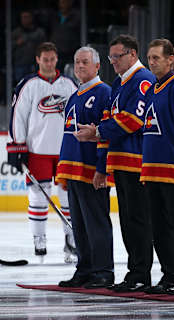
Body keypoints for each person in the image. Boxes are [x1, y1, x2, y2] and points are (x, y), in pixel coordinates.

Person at [75, 34, 156, 293]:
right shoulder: (121, 83)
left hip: (136, 163)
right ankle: (135, 272)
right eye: (111, 58)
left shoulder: (142, 80)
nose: (113, 62)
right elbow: (114, 119)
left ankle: (142, 273)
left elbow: (133, 120)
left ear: (132, 54)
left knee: (139, 220)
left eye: (117, 57)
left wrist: (98, 131)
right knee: (128, 221)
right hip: (121, 162)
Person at [137, 38, 174, 296]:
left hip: (173, 170)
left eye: (157, 58)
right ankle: (169, 274)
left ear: (171, 60)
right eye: (149, 58)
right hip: (151, 169)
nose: (152, 62)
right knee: (158, 226)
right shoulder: (151, 88)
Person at [7, 41, 77, 263]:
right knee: (38, 196)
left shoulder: (69, 85)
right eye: (45, 59)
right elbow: (18, 116)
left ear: (57, 59)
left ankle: (71, 240)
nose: (49, 62)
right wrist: (17, 147)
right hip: (38, 150)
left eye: (52, 59)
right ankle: (40, 239)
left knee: (68, 196)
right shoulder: (28, 85)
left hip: (66, 150)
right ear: (38, 60)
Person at [56, 46, 114, 288]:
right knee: (79, 224)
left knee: (96, 222)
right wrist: (62, 171)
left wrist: (102, 168)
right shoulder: (74, 96)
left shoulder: (104, 93)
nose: (80, 66)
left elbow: (106, 135)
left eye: (85, 62)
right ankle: (85, 268)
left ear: (97, 66)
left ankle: (103, 271)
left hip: (92, 171)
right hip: (73, 170)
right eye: (77, 62)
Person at [12, 10, 47, 83]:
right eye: (23, 17)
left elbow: (45, 48)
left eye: (27, 17)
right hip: (20, 64)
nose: (25, 19)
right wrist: (16, 43)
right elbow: (8, 48)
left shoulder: (39, 32)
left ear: (32, 18)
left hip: (35, 64)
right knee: (21, 87)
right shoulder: (16, 32)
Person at [49, 0, 81, 72]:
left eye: (65, 2)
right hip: (56, 53)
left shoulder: (77, 17)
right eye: (61, 2)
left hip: (70, 54)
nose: (62, 4)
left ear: (70, 3)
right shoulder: (54, 17)